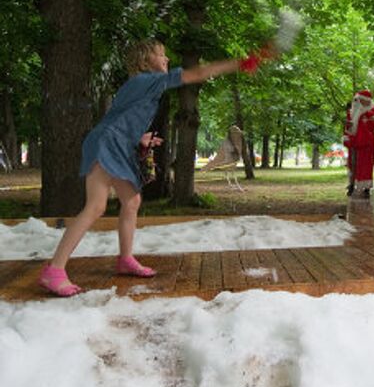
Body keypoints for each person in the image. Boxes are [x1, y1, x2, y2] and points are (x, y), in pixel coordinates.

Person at [38, 39, 272, 296]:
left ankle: (125, 259)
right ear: (146, 60)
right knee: (95, 207)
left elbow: (120, 116)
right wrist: (240, 63)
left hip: (114, 142)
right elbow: (198, 73)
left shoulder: (140, 86)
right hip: (106, 144)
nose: (167, 59)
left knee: (132, 200)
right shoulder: (147, 80)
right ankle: (54, 270)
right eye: (161, 55)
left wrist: (140, 138)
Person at [349, 90, 374, 198]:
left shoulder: (373, 111)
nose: (360, 101)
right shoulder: (353, 111)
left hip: (368, 142)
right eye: (359, 99)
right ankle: (352, 185)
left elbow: (373, 125)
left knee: (367, 164)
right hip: (354, 141)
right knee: (353, 163)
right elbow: (348, 125)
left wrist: (365, 117)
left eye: (362, 99)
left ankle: (366, 188)